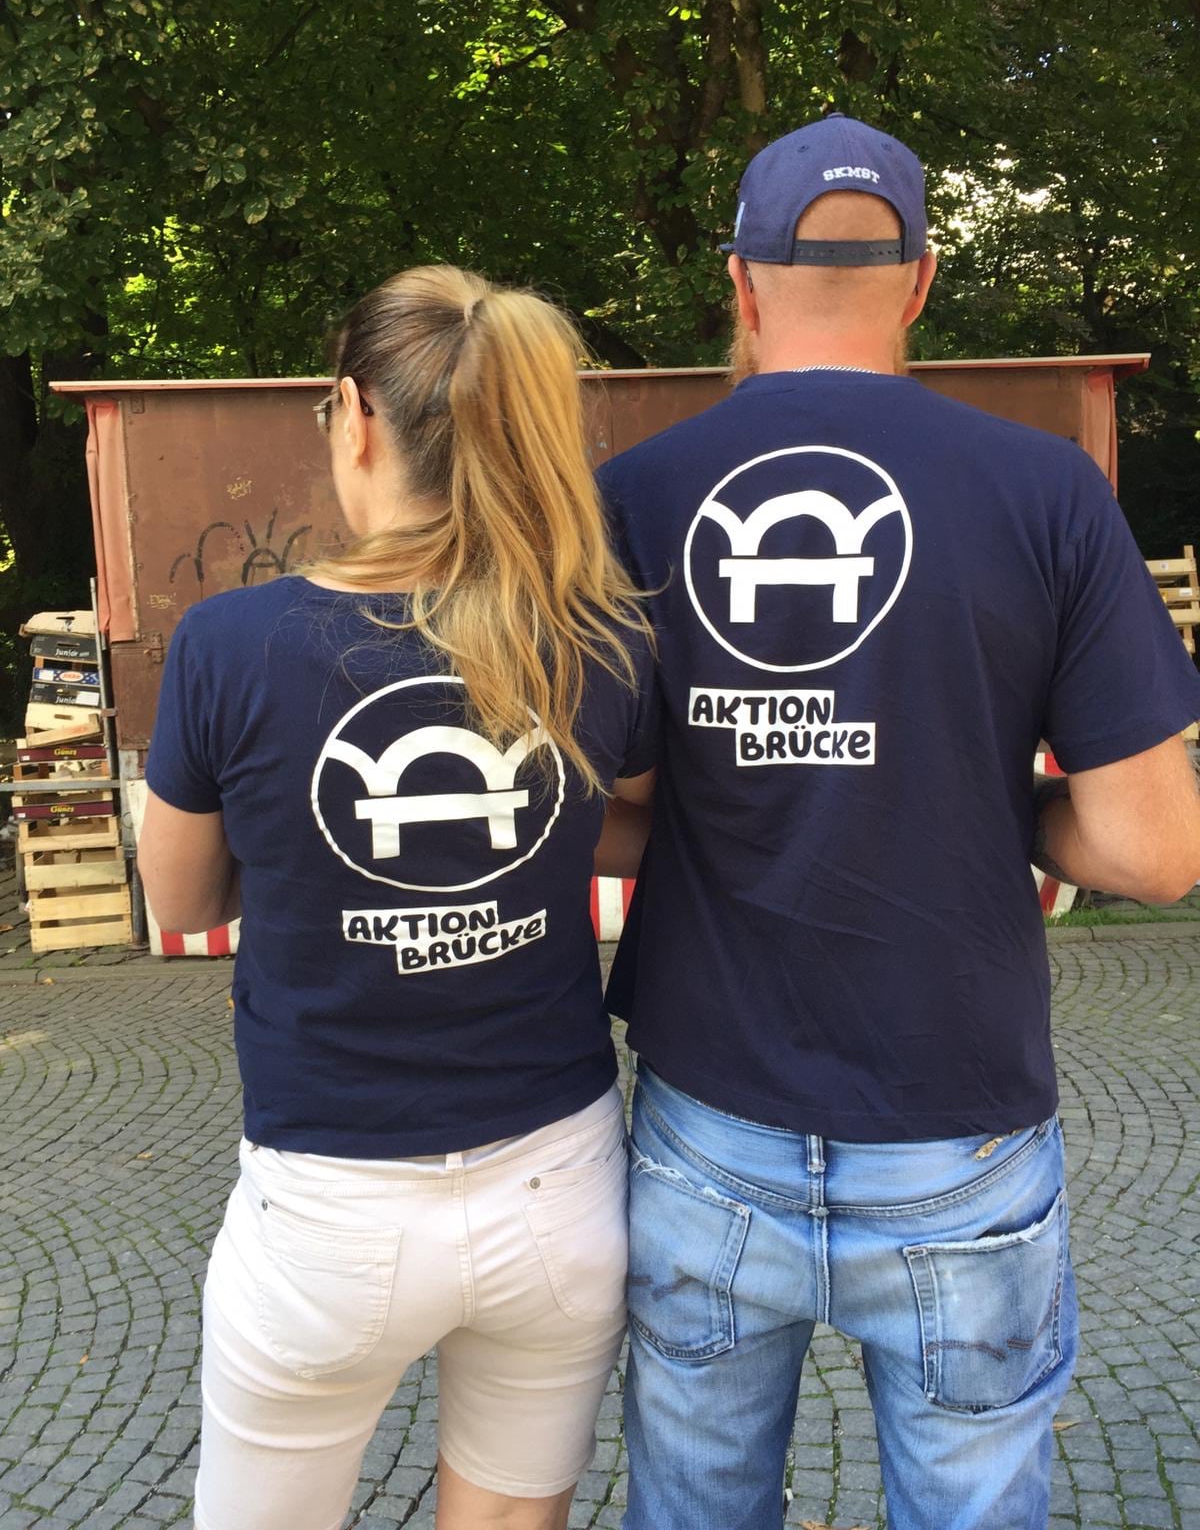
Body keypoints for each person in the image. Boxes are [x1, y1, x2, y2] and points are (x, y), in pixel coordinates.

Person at [597, 113, 1200, 1530]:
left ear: (739, 283)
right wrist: (1010, 804)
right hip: (958, 1128)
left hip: (711, 1119)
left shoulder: (635, 498)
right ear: (923, 281)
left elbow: (600, 811)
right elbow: (1156, 851)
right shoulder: (1048, 490)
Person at [137, 265, 657, 1530]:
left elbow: (182, 897)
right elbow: (633, 828)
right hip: (558, 1191)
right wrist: (530, 840)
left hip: (328, 1212)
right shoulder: (595, 635)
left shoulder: (228, 643)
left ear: (356, 413)